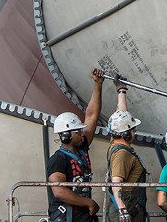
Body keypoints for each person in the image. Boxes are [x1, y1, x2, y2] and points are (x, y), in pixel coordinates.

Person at [47, 68, 104, 222]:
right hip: (68, 217)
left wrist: (98, 84)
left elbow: (91, 116)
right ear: (65, 135)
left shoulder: (82, 148)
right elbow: (59, 191)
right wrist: (89, 202)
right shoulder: (58, 160)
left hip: (83, 217)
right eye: (76, 131)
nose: (81, 133)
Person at [106, 77, 147, 222]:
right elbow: (116, 183)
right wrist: (123, 211)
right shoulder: (121, 154)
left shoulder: (115, 141)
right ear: (125, 133)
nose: (134, 133)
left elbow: (121, 115)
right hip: (127, 210)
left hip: (128, 208)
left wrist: (121, 91)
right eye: (132, 130)